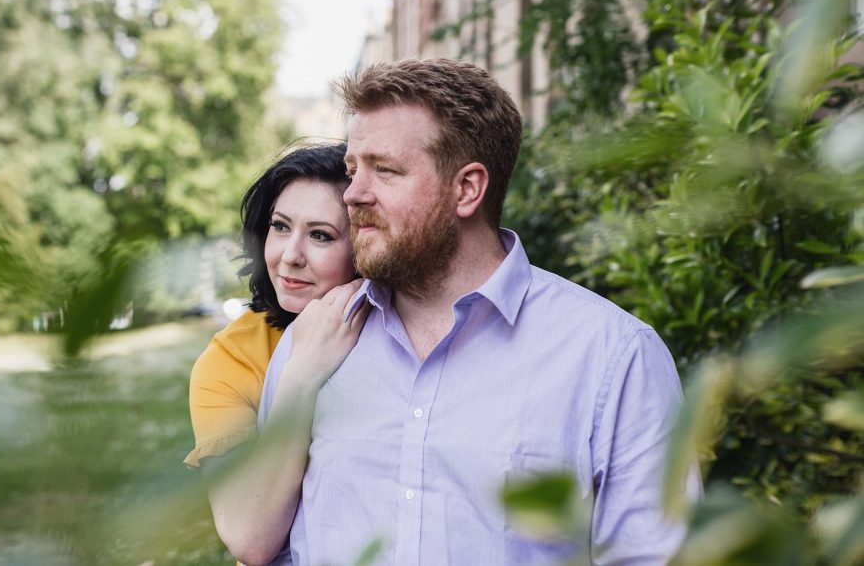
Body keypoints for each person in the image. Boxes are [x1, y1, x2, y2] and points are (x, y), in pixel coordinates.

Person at [259, 59, 697, 565]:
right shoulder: (313, 342)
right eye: (353, 170)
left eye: (385, 170)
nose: (352, 194)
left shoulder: (613, 358)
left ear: (467, 189)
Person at [185, 142, 369, 564]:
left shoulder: (400, 326)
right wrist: (301, 375)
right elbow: (248, 538)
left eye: (321, 235)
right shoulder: (230, 359)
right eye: (280, 227)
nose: (289, 256)